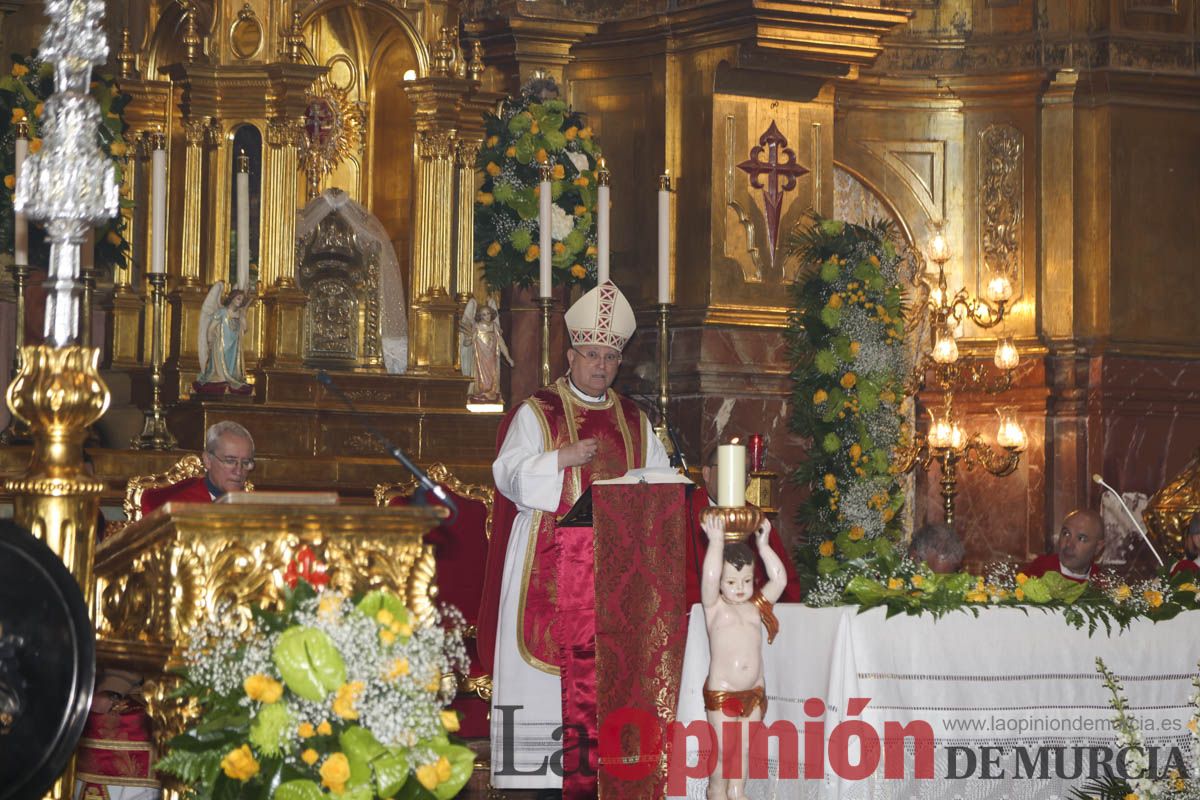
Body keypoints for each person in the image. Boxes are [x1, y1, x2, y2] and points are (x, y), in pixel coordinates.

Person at [480, 280, 669, 792]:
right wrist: (560, 459)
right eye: (591, 354)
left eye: (610, 356)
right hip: (548, 568)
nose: (601, 365)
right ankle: (534, 781)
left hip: (613, 576)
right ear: (570, 355)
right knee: (545, 687)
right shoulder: (537, 412)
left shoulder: (635, 419)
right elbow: (509, 476)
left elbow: (659, 484)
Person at [701, 514, 786, 800]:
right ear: (721, 582)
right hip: (724, 691)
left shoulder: (754, 607)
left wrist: (764, 546)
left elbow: (780, 579)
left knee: (744, 748)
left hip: (754, 690)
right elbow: (710, 578)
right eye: (732, 581)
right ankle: (716, 788)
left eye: (747, 580)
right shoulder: (714, 608)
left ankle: (736, 790)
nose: (740, 587)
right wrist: (715, 543)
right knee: (725, 748)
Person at [685, 444, 802, 605]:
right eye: (727, 469)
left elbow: (786, 583)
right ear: (706, 473)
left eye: (742, 472)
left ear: (748, 481)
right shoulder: (684, 513)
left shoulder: (754, 518)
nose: (734, 477)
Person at [139, 421, 255, 515]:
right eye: (230, 461)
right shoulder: (181, 507)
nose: (239, 471)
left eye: (245, 462)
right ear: (208, 460)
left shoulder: (257, 508)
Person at [195, 281, 254, 395]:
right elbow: (211, 327)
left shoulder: (238, 314)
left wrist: (243, 316)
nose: (240, 301)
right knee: (221, 368)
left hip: (233, 345)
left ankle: (230, 376)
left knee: (231, 366)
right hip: (221, 345)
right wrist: (209, 339)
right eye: (238, 298)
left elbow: (245, 329)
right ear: (232, 298)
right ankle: (220, 376)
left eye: (241, 300)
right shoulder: (222, 312)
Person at [1022, 509, 1104, 582]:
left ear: (1098, 548)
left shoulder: (1099, 581)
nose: (1069, 544)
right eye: (1066, 533)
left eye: (1081, 538)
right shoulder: (1039, 571)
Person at [460, 298, 513, 405]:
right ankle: (478, 395)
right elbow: (467, 344)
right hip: (480, 360)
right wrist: (468, 338)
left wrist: (508, 358)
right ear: (480, 316)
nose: (487, 316)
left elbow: (501, 343)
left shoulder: (495, 326)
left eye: (488, 313)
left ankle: (493, 395)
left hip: (492, 359)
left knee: (493, 378)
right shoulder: (476, 327)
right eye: (484, 314)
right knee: (480, 379)